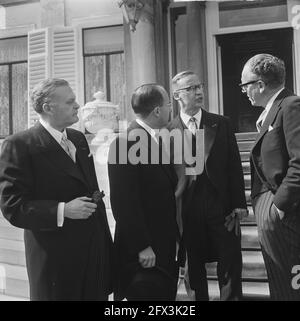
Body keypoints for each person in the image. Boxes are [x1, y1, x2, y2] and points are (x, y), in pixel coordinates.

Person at [0, 78, 113, 301]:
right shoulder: (19, 144)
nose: (78, 106)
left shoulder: (78, 138)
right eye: (70, 101)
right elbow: (12, 206)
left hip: (93, 258)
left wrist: (106, 250)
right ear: (48, 107)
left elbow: (92, 192)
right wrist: (63, 210)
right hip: (56, 263)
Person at [168, 71, 248, 301]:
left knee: (231, 264)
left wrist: (238, 204)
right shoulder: (166, 130)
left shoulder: (221, 123)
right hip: (187, 211)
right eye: (191, 88)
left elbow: (234, 166)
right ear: (177, 96)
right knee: (192, 269)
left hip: (221, 207)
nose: (198, 91)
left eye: (199, 86)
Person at [108, 84, 180, 301]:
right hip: (145, 253)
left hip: (163, 246)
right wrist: (142, 246)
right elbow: (123, 202)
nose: (171, 109)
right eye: (168, 104)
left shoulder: (156, 139)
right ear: (157, 110)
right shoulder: (125, 142)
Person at [241, 54, 300, 300]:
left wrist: (279, 205)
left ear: (261, 84)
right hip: (269, 207)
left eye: (245, 85)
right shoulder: (272, 111)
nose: (244, 91)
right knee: (280, 284)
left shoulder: (291, 105)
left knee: (290, 286)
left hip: (283, 210)